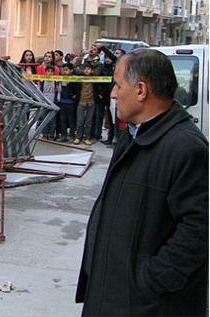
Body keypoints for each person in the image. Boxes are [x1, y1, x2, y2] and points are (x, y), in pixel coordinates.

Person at [76, 49, 208, 316]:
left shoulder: (186, 148)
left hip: (148, 304)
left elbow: (199, 230)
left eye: (118, 85)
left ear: (140, 90)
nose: (113, 93)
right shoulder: (132, 135)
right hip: (111, 292)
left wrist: (151, 279)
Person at [73, 63, 95, 145]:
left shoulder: (96, 78)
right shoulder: (80, 78)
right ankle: (78, 137)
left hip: (91, 102)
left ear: (92, 70)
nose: (87, 70)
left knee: (88, 122)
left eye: (89, 69)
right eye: (85, 69)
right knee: (80, 121)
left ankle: (87, 138)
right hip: (81, 102)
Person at [57, 62, 78, 142]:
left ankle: (71, 135)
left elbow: (76, 89)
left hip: (71, 103)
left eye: (66, 70)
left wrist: (74, 96)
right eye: (63, 70)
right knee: (63, 119)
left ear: (71, 70)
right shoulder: (61, 78)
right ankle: (63, 135)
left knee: (71, 120)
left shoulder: (75, 79)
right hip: (62, 102)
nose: (64, 72)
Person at [39, 64, 59, 139]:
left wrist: (57, 99)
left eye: (51, 71)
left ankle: (51, 135)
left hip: (53, 102)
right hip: (45, 103)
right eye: (48, 71)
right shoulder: (42, 80)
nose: (50, 73)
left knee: (52, 120)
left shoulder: (56, 81)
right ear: (45, 72)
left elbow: (58, 91)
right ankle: (44, 134)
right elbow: (40, 90)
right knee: (44, 120)